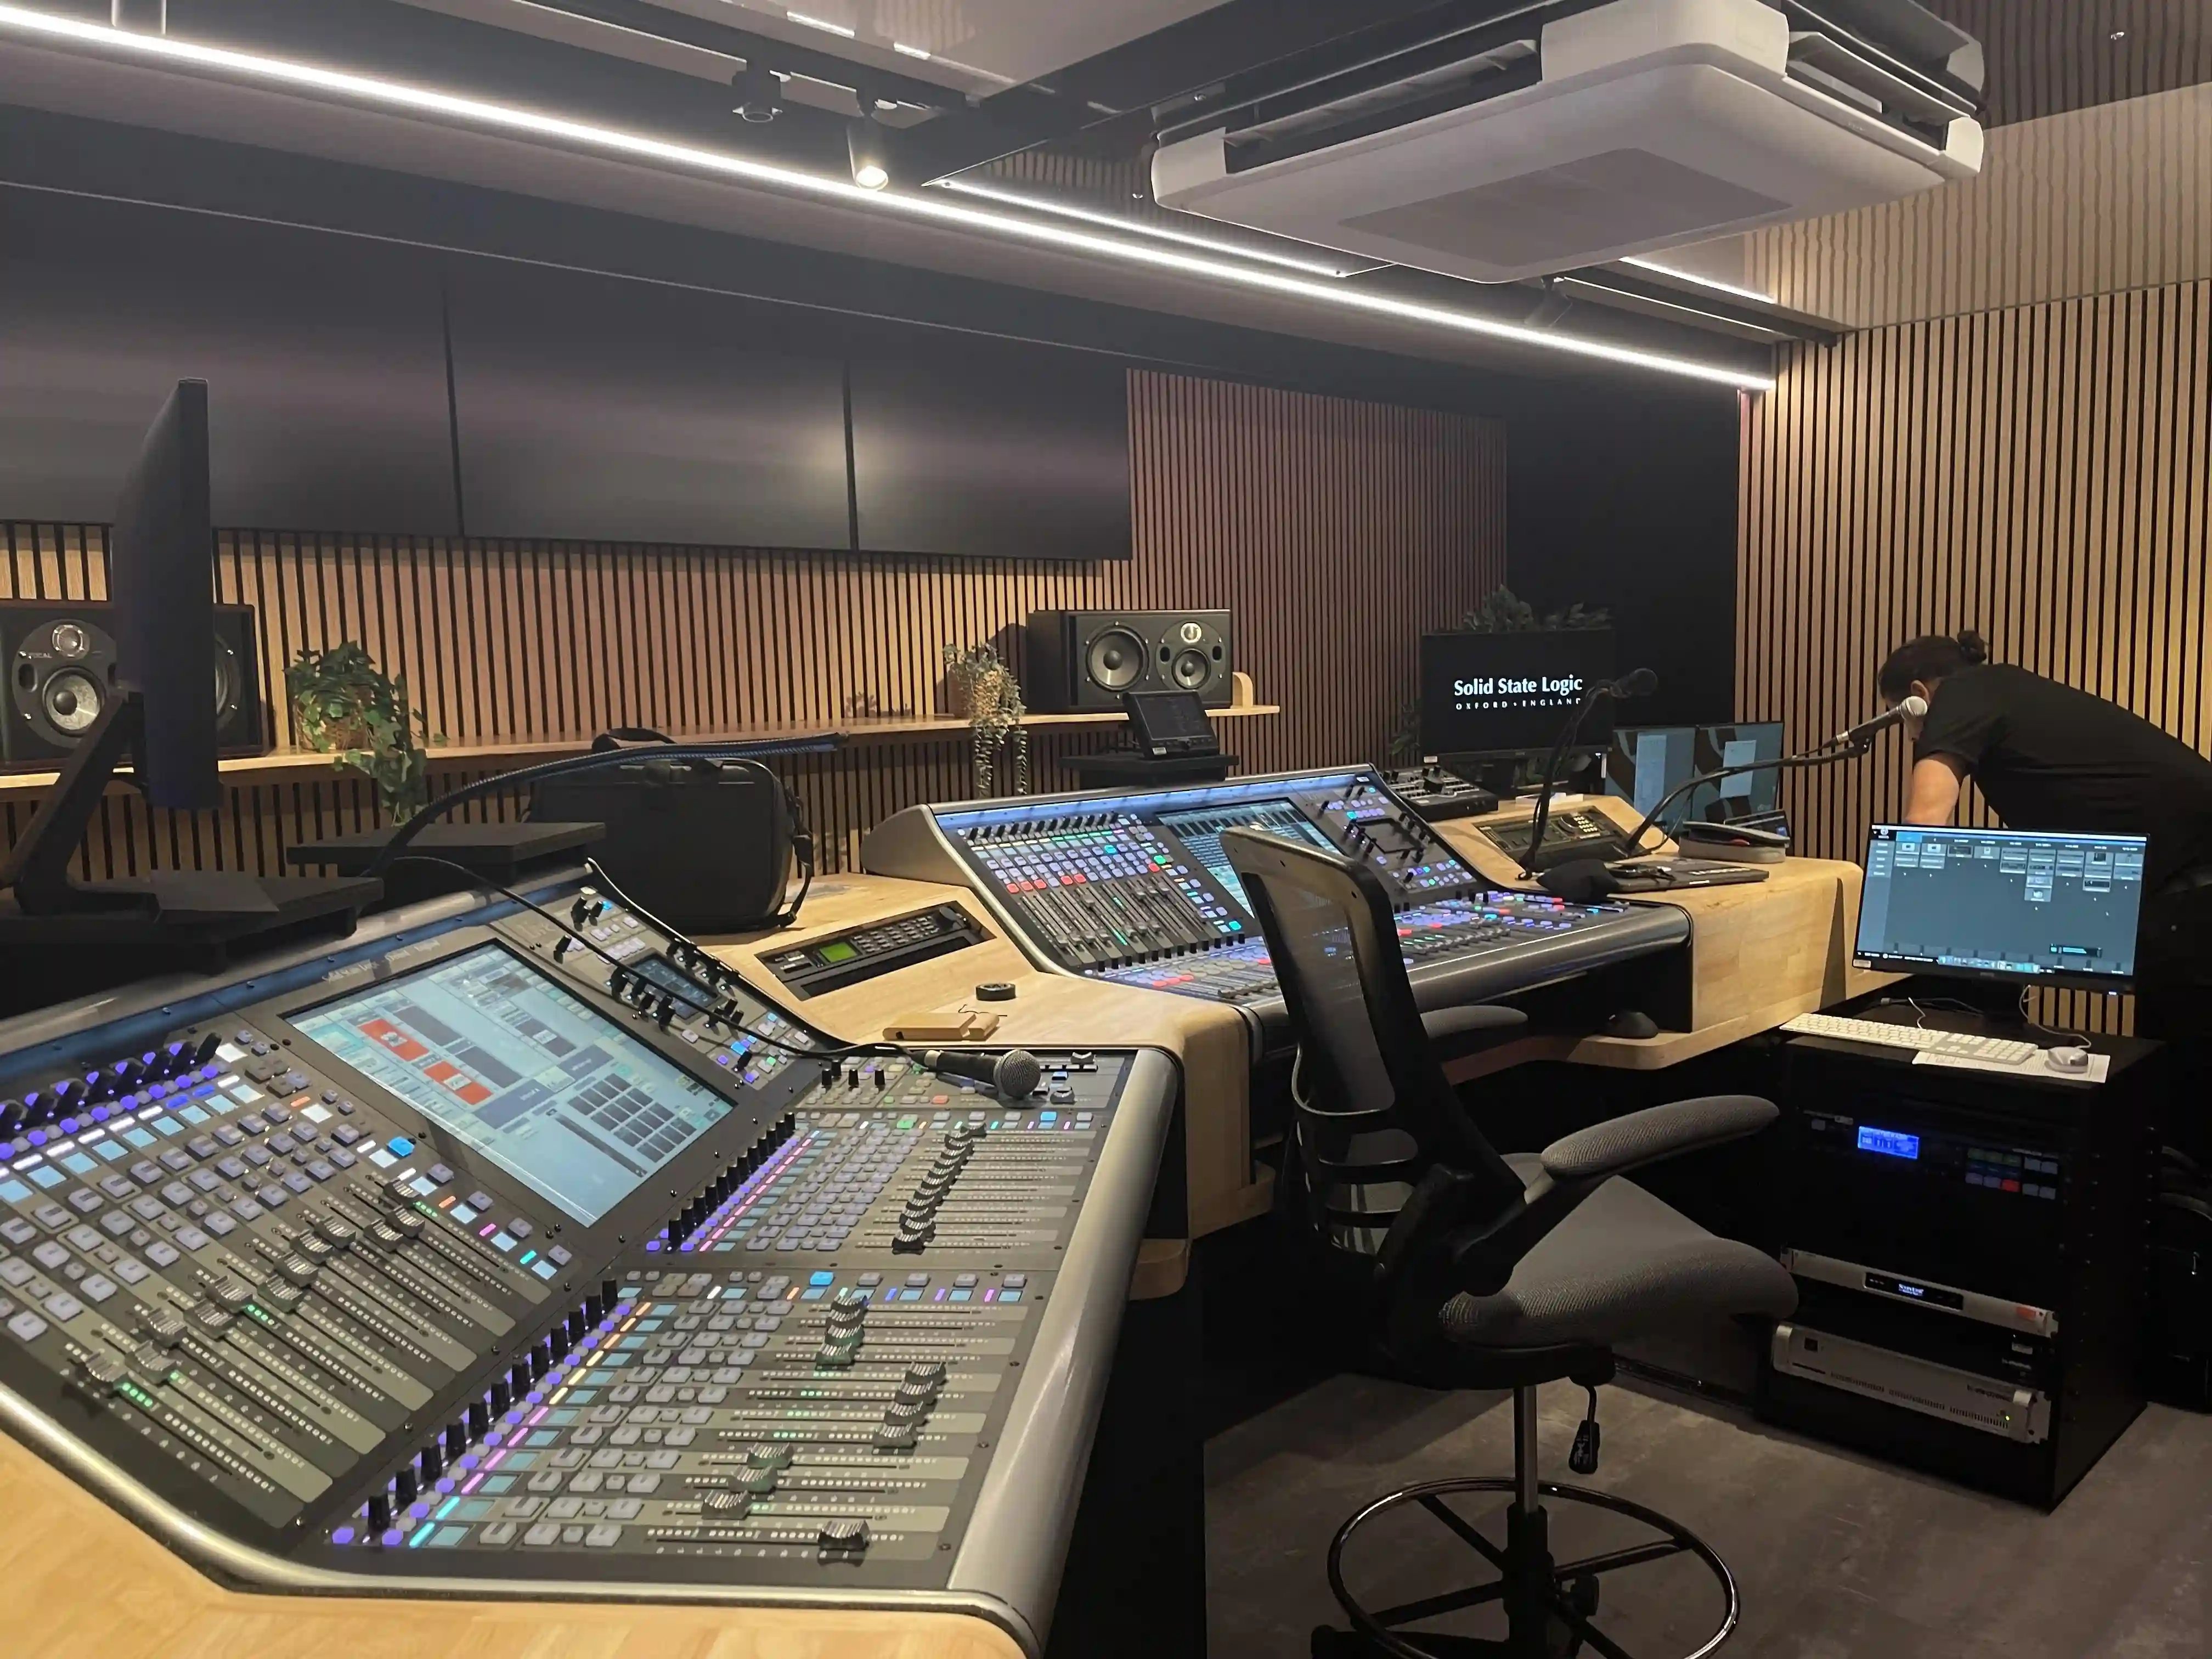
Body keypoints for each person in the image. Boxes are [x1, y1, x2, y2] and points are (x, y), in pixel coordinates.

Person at [1878, 628, 2212, 1048]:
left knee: (2184, 1077)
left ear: (1917, 694)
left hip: (2193, 894)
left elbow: (1925, 822)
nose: (1912, 737)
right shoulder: (2007, 690)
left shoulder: (1960, 695)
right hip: (2184, 887)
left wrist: (1891, 932)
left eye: (1901, 718)